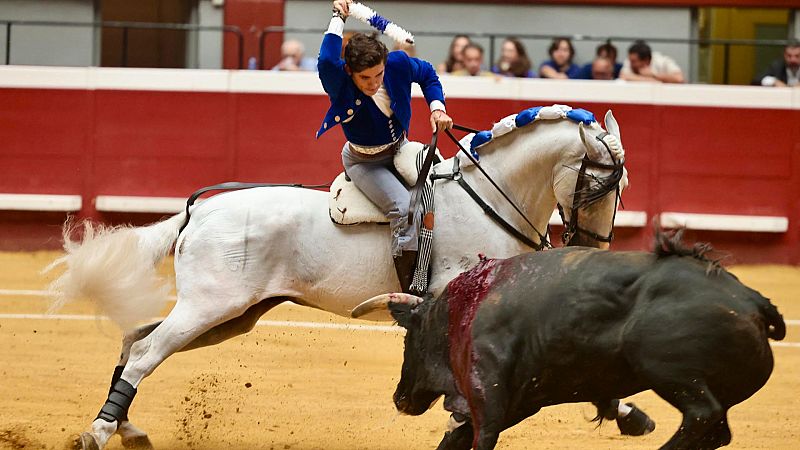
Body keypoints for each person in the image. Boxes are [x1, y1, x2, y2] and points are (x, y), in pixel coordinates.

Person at [318, 0, 453, 294]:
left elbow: (428, 74)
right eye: (364, 78)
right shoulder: (338, 80)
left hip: (401, 148)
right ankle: (411, 290)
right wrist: (337, 17)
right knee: (403, 208)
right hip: (363, 162)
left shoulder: (397, 64)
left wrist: (437, 108)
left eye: (378, 74)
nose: (373, 83)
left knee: (444, 193)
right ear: (350, 72)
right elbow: (327, 60)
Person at [620, 40, 684, 84]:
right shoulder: (630, 61)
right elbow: (623, 76)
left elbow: (679, 79)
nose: (631, 64)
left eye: (634, 62)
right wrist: (655, 81)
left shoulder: (662, 61)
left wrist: (654, 75)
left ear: (646, 60)